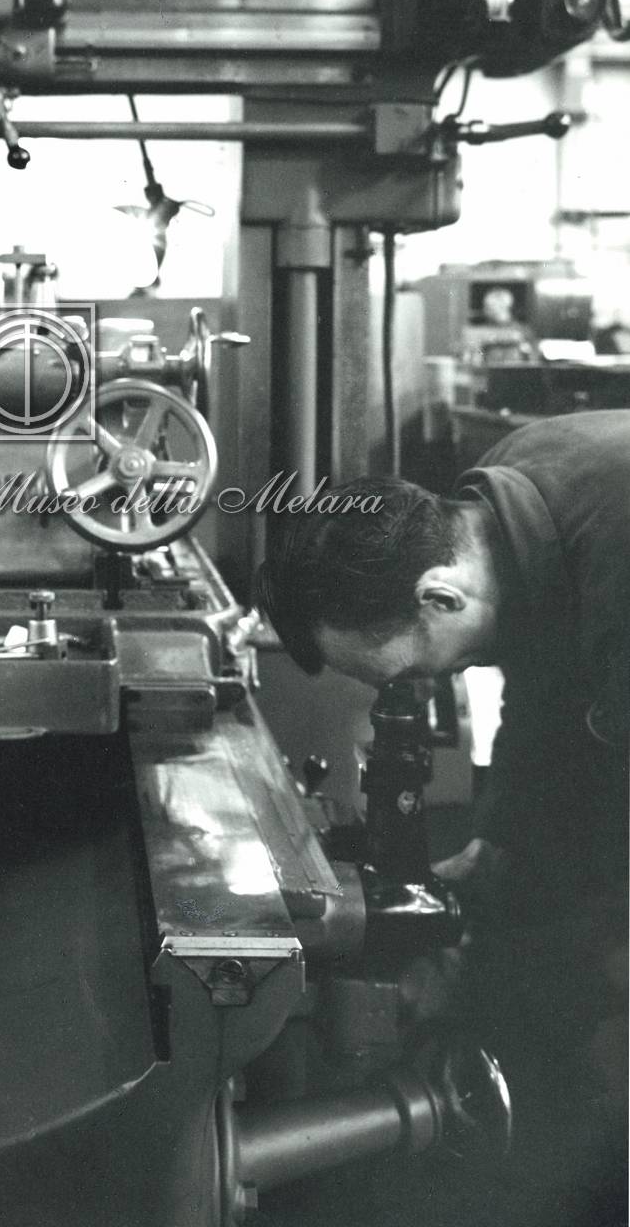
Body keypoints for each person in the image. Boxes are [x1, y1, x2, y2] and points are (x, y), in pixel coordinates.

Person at [256, 410, 629, 1224]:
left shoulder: (617, 552)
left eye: (420, 668)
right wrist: (500, 841)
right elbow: (543, 694)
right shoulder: (504, 497)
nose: (429, 683)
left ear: (440, 594)